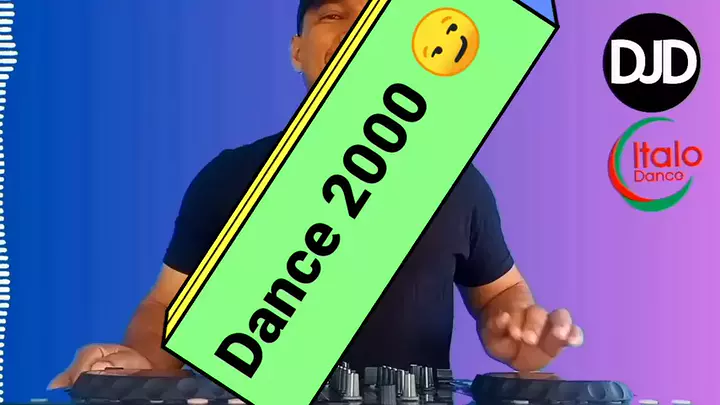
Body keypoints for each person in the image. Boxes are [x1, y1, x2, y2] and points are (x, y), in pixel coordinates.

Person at [50, 0, 583, 389]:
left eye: (376, 18)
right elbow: (166, 305)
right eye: (333, 15)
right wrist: (142, 360)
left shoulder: (454, 181)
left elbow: (500, 292)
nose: (356, 32)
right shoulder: (230, 177)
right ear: (297, 51)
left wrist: (518, 329)